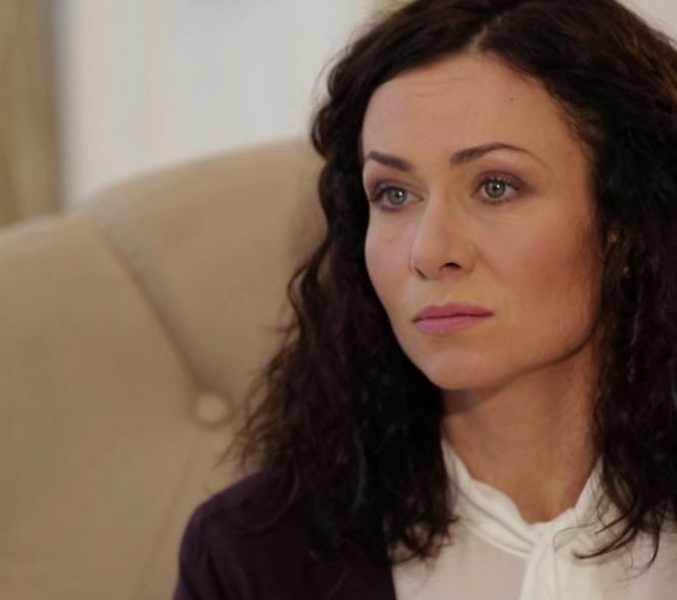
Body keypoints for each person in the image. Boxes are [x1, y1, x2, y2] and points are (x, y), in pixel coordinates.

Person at [173, 0, 677, 598]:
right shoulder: (253, 556)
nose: (430, 249)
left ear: (623, 219)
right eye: (394, 194)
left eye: (496, 186)